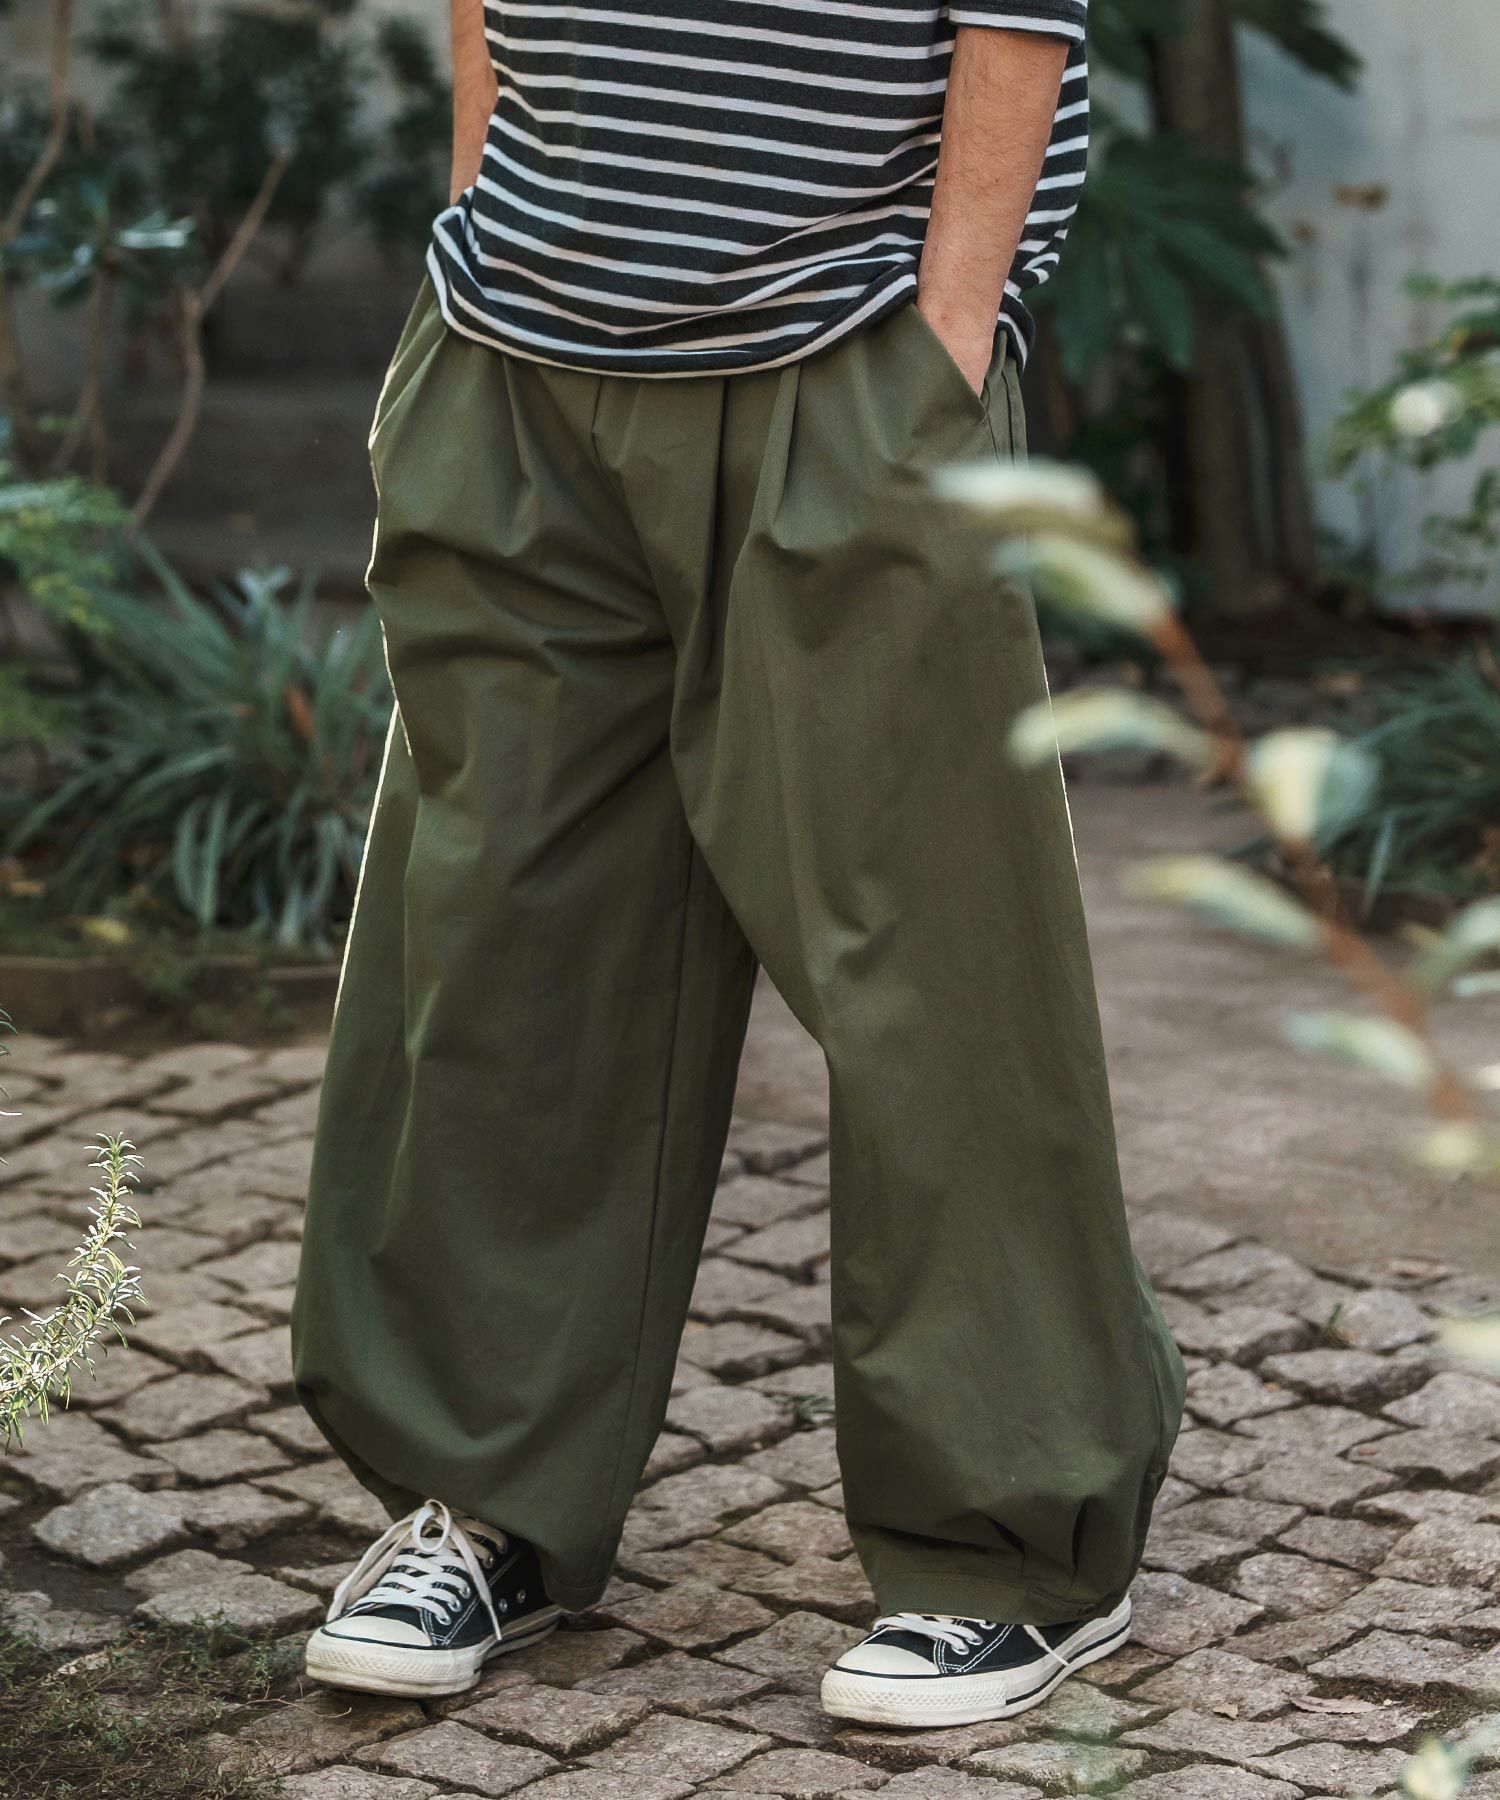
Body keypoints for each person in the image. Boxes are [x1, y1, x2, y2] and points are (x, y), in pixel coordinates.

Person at [292, 0, 1186, 1726]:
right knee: (504, 933)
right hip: (519, 353)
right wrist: (482, 212)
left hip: (838, 358)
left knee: (930, 961)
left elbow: (1018, 17)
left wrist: (941, 350)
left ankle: (1009, 1539)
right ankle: (490, 1494)